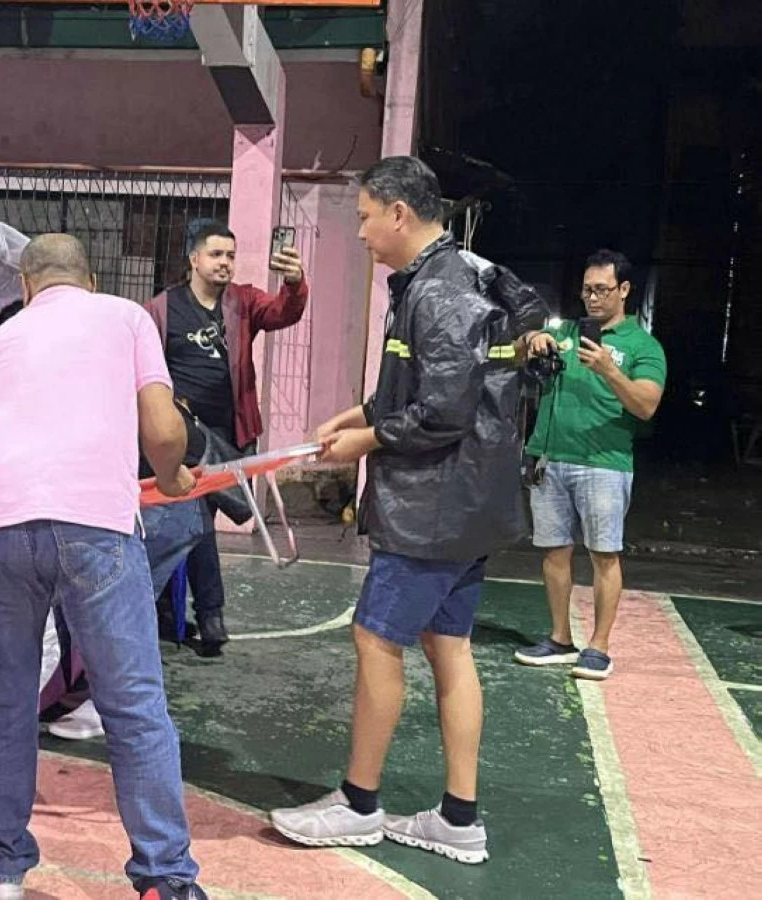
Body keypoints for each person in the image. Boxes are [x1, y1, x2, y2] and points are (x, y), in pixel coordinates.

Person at [0, 234, 209, 900]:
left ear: (26, 287)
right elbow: (165, 433)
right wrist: (168, 478)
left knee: (3, 700)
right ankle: (165, 880)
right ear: (89, 278)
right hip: (94, 529)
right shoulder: (126, 317)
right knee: (134, 706)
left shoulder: (2, 343)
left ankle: (0, 869)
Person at [270, 156, 539, 864]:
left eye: (362, 216)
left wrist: (366, 439)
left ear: (398, 213)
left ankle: (358, 803)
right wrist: (356, 412)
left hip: (434, 507)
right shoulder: (438, 282)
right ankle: (458, 817)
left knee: (374, 639)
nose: (358, 231)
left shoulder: (441, 291)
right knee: (448, 648)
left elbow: (444, 412)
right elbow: (422, 388)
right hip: (467, 505)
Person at [144, 220, 308, 652]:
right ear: (194, 259)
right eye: (216, 254)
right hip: (182, 436)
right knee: (191, 521)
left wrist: (294, 281)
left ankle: (170, 611)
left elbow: (284, 312)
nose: (225, 263)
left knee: (195, 524)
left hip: (232, 433)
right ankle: (209, 614)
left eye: (231, 255)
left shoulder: (244, 302)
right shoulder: (160, 310)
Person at [514, 250, 666, 680]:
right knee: (553, 551)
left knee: (604, 554)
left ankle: (599, 646)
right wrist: (531, 342)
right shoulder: (564, 330)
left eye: (601, 290)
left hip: (604, 463)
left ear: (624, 290)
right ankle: (560, 638)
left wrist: (608, 370)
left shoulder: (643, 346)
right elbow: (514, 353)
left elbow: (646, 405)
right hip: (549, 457)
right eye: (586, 290)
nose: (592, 298)